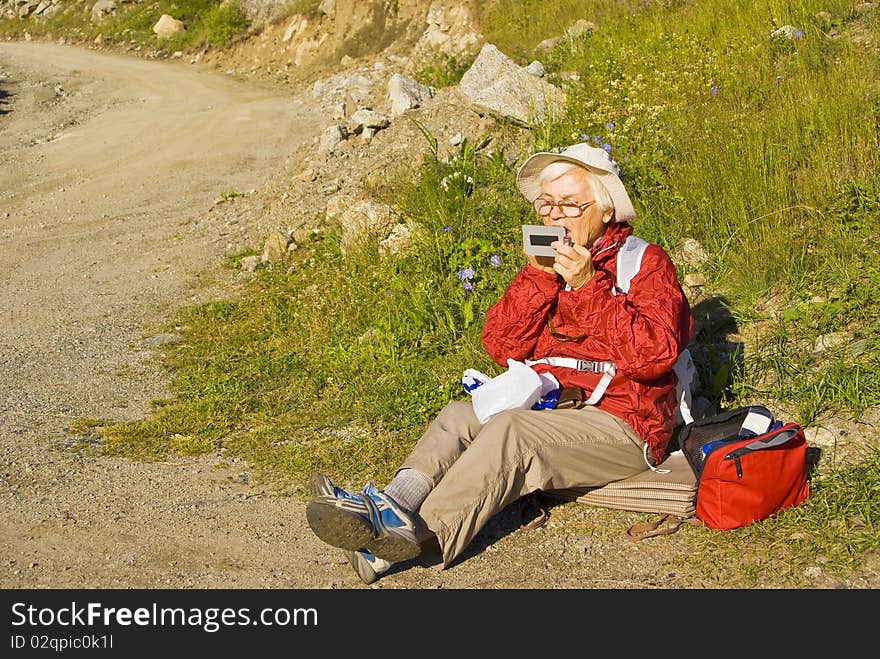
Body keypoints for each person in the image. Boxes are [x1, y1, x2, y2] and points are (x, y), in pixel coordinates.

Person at [305, 142, 694, 584]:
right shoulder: (546, 265)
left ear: (606, 210)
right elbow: (501, 344)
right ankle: (390, 505)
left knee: (513, 431)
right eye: (547, 205)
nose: (555, 217)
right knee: (458, 416)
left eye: (569, 204)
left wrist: (586, 286)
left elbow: (655, 354)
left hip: (623, 424)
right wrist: (538, 278)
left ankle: (413, 536)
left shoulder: (644, 262)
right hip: (554, 405)